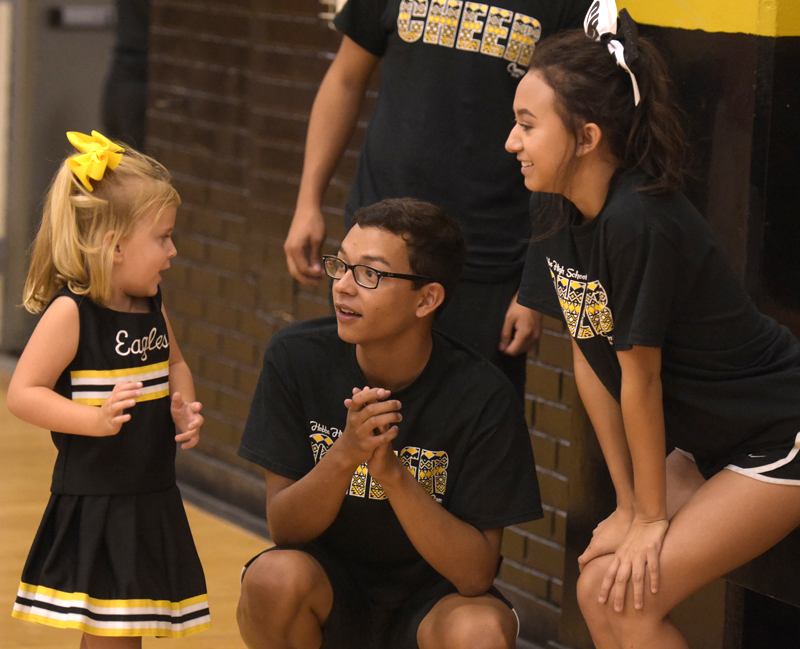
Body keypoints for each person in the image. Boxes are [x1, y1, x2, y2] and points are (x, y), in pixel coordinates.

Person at [506, 1, 800, 647]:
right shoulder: (554, 207)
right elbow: (591, 357)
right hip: (703, 444)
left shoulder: (638, 223)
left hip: (778, 430)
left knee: (629, 603)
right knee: (597, 589)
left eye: (528, 124)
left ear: (585, 136)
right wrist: (627, 506)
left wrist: (648, 517)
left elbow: (639, 378)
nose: (512, 142)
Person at [238, 198, 542, 649]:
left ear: (427, 299)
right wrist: (345, 455)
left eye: (370, 274)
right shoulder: (296, 358)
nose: (343, 286)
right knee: (271, 579)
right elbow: (284, 528)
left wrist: (393, 475)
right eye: (340, 265)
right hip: (328, 586)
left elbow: (476, 573)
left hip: (433, 600)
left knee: (481, 632)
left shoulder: (483, 397)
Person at [283, 0, 592, 399]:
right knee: (359, 422)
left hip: (491, 262)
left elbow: (570, 142)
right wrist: (308, 202)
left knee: (470, 433)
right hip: (378, 252)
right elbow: (345, 78)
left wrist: (533, 286)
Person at [8, 131, 210, 647]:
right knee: (111, 635)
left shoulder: (151, 304)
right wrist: (93, 420)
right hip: (100, 499)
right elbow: (23, 393)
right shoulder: (71, 313)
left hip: (149, 492)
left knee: (131, 630)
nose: (173, 250)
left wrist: (181, 406)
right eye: (162, 237)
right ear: (114, 246)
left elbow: (176, 362)